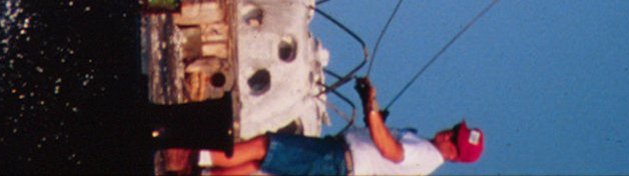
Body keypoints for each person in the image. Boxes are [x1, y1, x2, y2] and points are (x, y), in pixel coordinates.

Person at [200, 77, 484, 175]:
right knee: (261, 165)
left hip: (336, 160)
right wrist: (374, 116)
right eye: (453, 130)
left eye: (453, 139)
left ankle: (195, 156)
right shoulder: (426, 150)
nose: (448, 133)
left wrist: (371, 107)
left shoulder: (427, 154)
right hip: (337, 161)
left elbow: (390, 150)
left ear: (454, 155)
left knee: (266, 147)